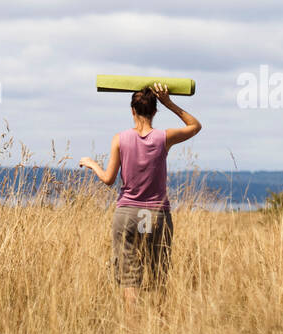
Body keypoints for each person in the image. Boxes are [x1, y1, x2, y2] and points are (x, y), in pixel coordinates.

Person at [79, 82, 202, 305]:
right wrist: (170, 103)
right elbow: (195, 126)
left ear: (132, 110)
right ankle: (155, 330)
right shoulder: (164, 137)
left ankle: (132, 333)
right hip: (156, 216)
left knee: (129, 278)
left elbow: (108, 179)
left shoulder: (120, 139)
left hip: (127, 214)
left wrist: (91, 164)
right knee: (157, 276)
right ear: (155, 111)